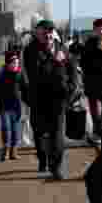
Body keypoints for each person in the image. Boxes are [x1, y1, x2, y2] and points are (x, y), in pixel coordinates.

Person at [22, 19, 76, 180]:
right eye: (44, 31)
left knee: (57, 134)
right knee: (39, 131)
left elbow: (72, 68)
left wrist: (72, 89)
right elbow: (37, 75)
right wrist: (56, 62)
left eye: (50, 31)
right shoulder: (30, 51)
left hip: (58, 98)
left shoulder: (62, 49)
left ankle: (56, 167)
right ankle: (42, 157)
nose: (48, 34)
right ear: (37, 33)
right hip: (38, 98)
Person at [0, 49, 27, 161]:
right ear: (8, 63)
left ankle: (13, 151)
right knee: (5, 127)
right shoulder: (0, 74)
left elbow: (25, 89)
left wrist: (28, 102)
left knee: (15, 129)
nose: (16, 64)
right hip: (4, 107)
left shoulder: (20, 73)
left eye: (17, 62)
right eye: (14, 62)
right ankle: (5, 148)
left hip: (16, 107)